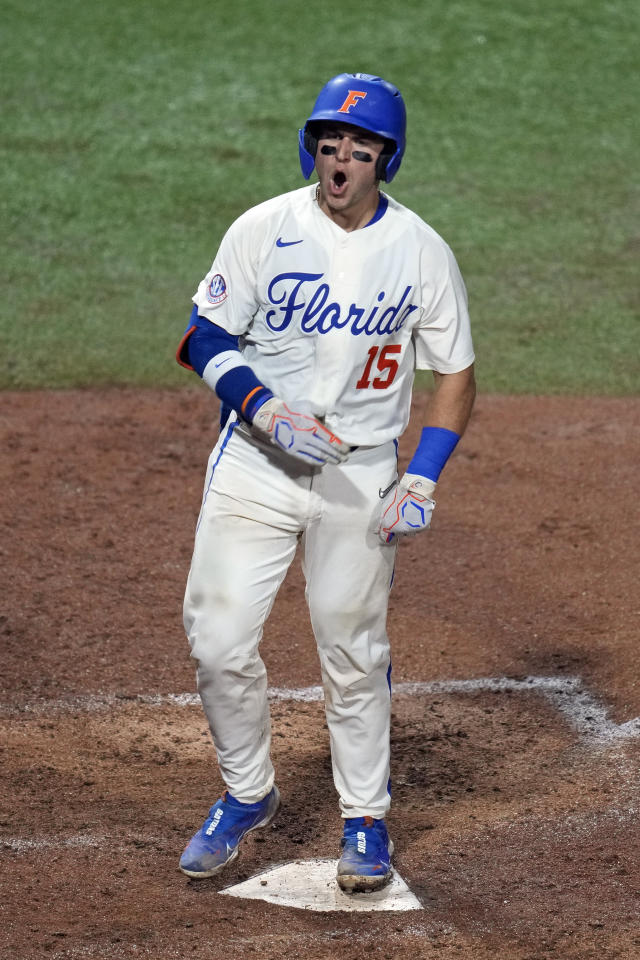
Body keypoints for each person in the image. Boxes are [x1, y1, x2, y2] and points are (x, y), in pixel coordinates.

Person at [175, 72, 475, 893]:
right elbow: (204, 336)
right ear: (312, 146)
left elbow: (455, 375)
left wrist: (422, 478)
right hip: (257, 466)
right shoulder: (263, 228)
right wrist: (265, 409)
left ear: (387, 158)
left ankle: (365, 819)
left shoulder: (420, 250)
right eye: (329, 142)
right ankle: (247, 794)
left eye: (361, 147)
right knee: (219, 637)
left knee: (353, 648)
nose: (340, 158)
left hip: (363, 476)